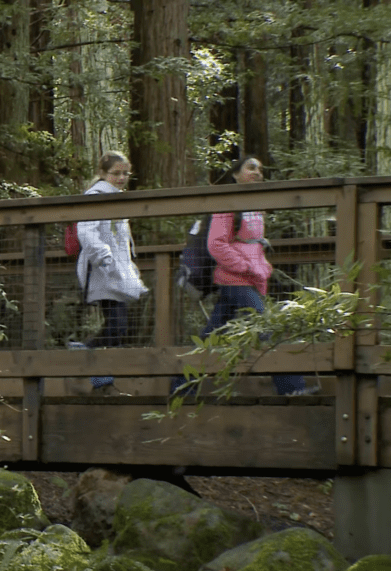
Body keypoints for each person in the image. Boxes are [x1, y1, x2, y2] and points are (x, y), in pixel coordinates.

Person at [171, 156, 306, 396]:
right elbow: (216, 245)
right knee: (268, 328)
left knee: (210, 337)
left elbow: (252, 244)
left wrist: (262, 268)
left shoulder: (254, 205)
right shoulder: (228, 203)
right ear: (235, 174)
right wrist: (247, 267)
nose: (257, 173)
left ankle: (180, 389)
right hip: (235, 281)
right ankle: (292, 388)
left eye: (260, 169)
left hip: (249, 282)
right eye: (251, 168)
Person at [71, 151, 149, 393]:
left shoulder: (118, 198)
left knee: (119, 327)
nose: (122, 178)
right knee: (117, 326)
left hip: (117, 270)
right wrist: (106, 260)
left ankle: (101, 379)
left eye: (125, 173)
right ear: (103, 173)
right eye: (116, 173)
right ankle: (83, 354)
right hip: (102, 271)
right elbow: (87, 232)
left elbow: (122, 240)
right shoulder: (95, 196)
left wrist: (128, 267)